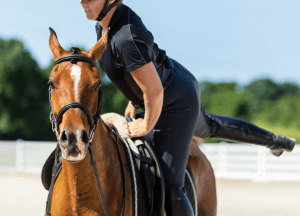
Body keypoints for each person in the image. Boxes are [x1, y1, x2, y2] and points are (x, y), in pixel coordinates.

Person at [80, 0, 296, 215]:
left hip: (175, 103)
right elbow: (139, 67)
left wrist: (146, 125)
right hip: (172, 83)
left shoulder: (126, 37)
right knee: (209, 127)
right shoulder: (104, 26)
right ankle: (277, 141)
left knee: (168, 188)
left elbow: (154, 91)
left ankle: (275, 141)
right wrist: (134, 100)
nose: (83, 2)